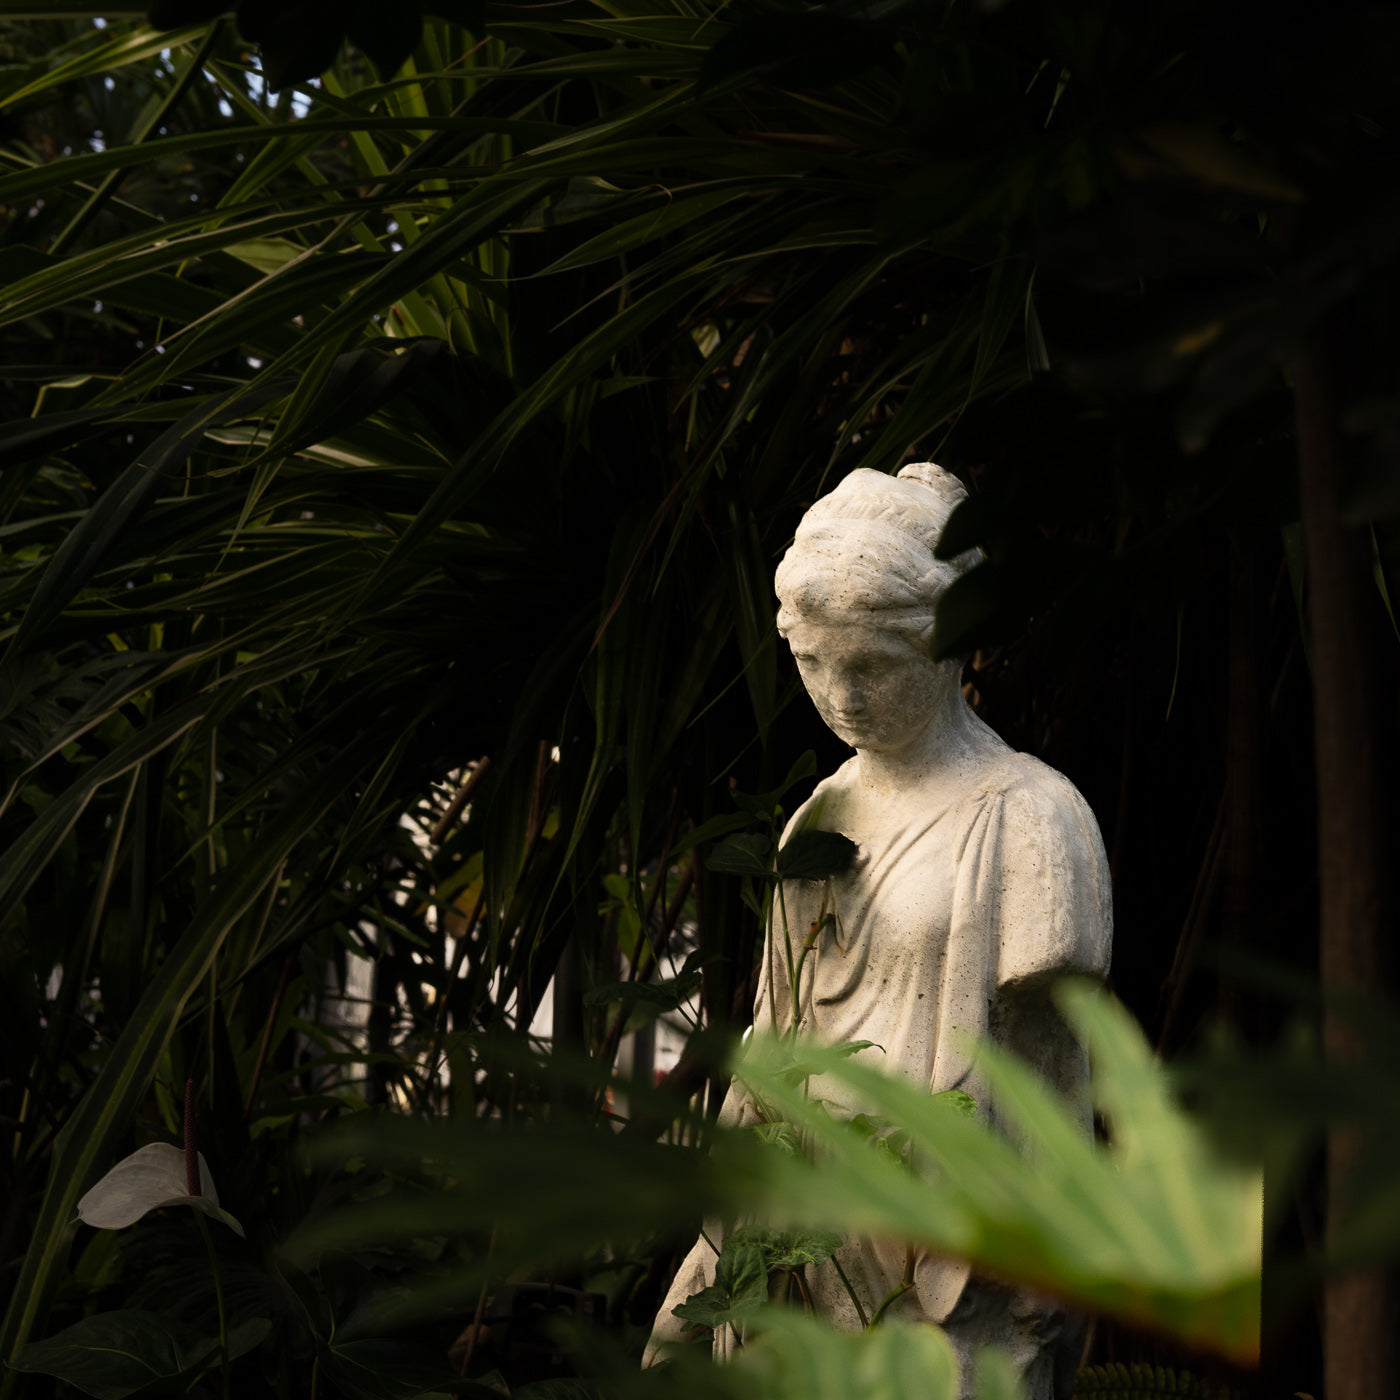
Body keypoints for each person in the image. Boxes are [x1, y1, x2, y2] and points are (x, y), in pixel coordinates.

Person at [645, 463, 1112, 1399]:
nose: (841, 696)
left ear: (949, 646)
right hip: (796, 1227)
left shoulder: (1032, 819)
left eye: (871, 667)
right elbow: (775, 1037)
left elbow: (1049, 1075)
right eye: (814, 664)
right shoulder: (815, 822)